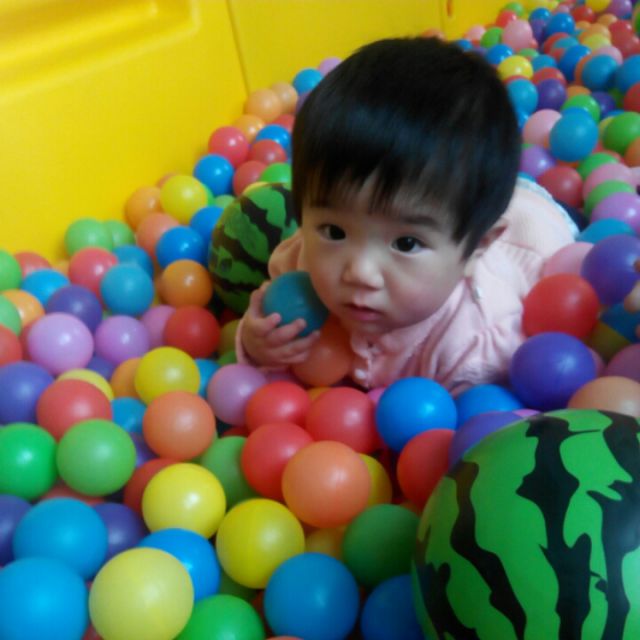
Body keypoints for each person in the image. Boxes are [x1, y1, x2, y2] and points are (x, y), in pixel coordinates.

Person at [236, 37, 577, 395]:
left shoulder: (475, 349)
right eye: (334, 231)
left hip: (532, 226)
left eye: (406, 243)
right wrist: (257, 344)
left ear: (476, 247)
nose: (360, 272)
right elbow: (262, 329)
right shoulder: (303, 264)